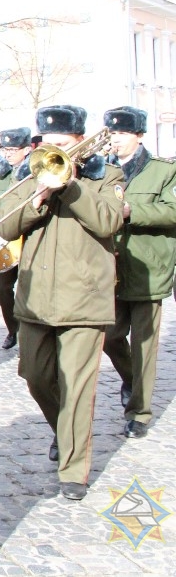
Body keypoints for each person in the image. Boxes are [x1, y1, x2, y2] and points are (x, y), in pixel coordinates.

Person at [0, 105, 123, 501]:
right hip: (35, 300)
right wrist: (35, 200)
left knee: (77, 386)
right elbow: (3, 225)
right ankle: (62, 430)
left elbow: (107, 222)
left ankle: (74, 469)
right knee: (34, 376)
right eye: (48, 145)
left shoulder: (107, 177)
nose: (55, 152)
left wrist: (70, 184)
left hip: (84, 300)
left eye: (63, 145)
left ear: (81, 143)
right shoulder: (30, 176)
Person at [102, 106, 176, 439]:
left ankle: (140, 412)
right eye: (111, 134)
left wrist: (133, 211)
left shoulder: (164, 171)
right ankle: (133, 380)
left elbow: (173, 210)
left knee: (145, 344)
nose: (115, 140)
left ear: (139, 136)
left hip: (149, 268)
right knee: (109, 335)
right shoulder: (100, 170)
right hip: (111, 269)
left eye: (121, 134)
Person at [0, 127, 33, 350]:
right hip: (4, 239)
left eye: (13, 149)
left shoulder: (36, 170)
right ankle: (14, 328)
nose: (8, 154)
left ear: (27, 149)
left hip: (29, 238)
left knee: (29, 289)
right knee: (0, 288)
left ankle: (29, 336)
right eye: (5, 149)